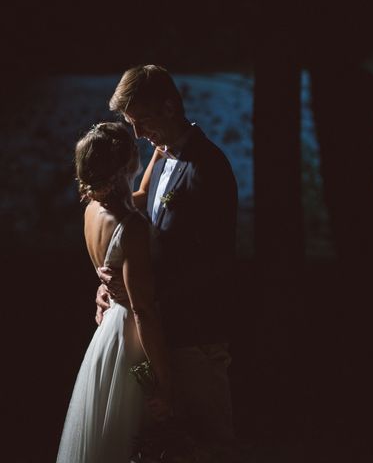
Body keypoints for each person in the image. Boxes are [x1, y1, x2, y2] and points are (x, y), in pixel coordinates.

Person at [96, 64, 239, 452]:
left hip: (197, 335)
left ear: (169, 106)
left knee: (212, 444)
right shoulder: (161, 162)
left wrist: (145, 292)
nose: (138, 134)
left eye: (141, 120)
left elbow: (219, 263)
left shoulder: (208, 167)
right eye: (131, 123)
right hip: (165, 334)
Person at [57, 122, 172, 463]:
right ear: (126, 165)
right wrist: (166, 384)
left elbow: (138, 196)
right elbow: (144, 311)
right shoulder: (132, 227)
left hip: (107, 333)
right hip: (131, 338)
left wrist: (156, 156)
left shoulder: (93, 211)